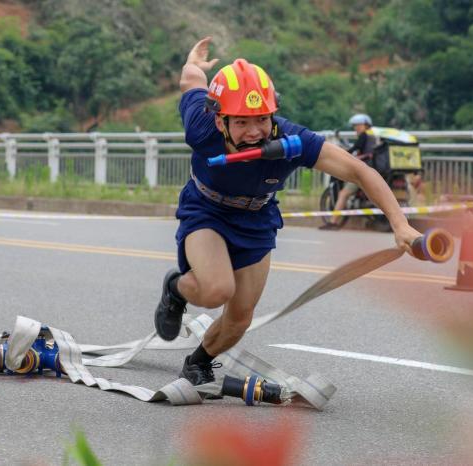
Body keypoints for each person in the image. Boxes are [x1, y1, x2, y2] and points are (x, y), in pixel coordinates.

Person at [154, 37, 421, 386]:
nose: (254, 132)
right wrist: (194, 62)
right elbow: (191, 82)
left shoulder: (293, 141)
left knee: (239, 318)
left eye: (262, 119)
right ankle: (176, 289)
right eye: (242, 123)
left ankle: (199, 361)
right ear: (220, 120)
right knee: (217, 289)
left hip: (257, 218)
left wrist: (400, 225)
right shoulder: (201, 126)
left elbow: (360, 171)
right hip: (207, 211)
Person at [319, 113, 378, 230]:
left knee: (343, 194)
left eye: (359, 125)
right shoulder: (373, 137)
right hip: (372, 169)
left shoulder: (364, 136)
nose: (356, 128)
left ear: (366, 125)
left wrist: (342, 154)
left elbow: (353, 149)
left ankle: (333, 222)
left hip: (363, 171)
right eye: (355, 126)